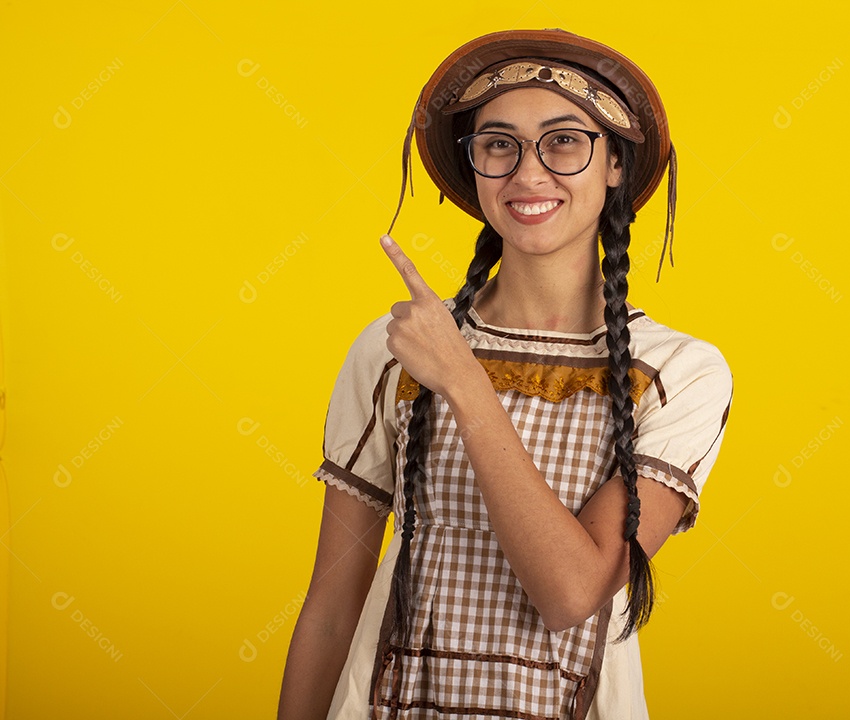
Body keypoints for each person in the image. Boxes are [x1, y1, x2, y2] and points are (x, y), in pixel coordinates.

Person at [279, 28, 734, 720]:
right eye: (499, 144)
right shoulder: (395, 350)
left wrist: (464, 383)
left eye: (563, 141)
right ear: (475, 167)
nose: (527, 174)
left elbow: (572, 593)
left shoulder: (677, 372)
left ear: (615, 162)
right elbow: (331, 609)